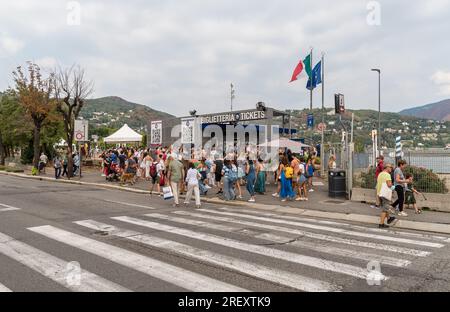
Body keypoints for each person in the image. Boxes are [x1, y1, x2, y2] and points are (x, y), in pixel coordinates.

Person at [376, 163, 398, 228]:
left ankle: (388, 219)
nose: (391, 169)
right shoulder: (387, 175)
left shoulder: (380, 174)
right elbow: (389, 185)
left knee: (386, 207)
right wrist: (395, 187)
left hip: (380, 193)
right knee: (385, 209)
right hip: (385, 194)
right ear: (387, 167)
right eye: (391, 167)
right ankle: (381, 224)